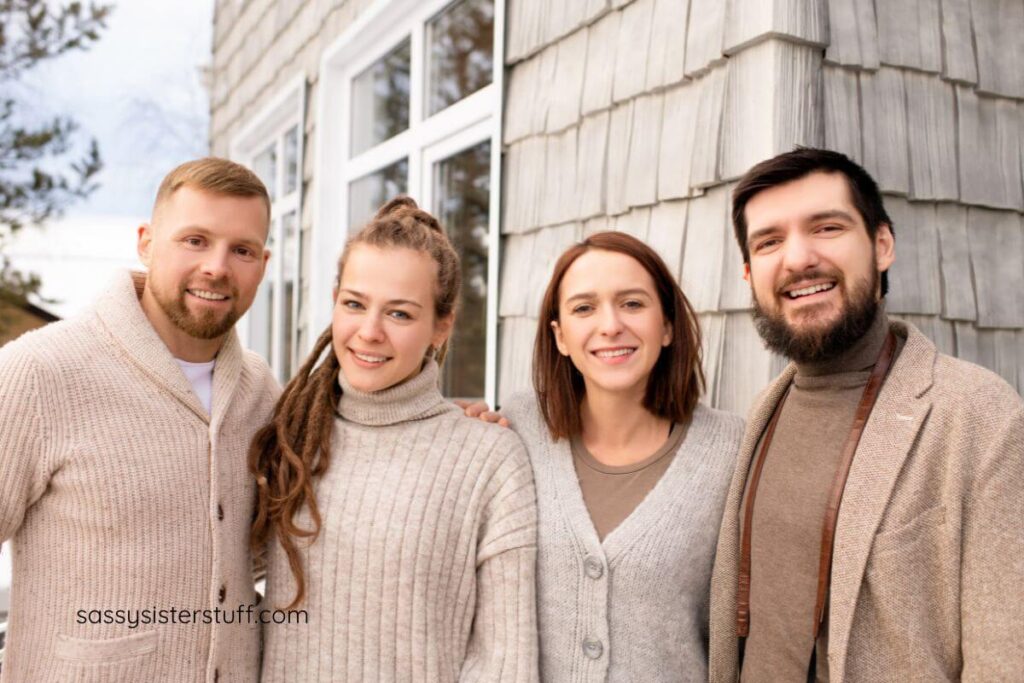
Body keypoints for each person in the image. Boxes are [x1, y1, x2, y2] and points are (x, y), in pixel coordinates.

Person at [708, 148, 1024, 681]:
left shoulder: (979, 414)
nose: (798, 258)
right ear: (748, 273)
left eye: (826, 227)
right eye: (769, 241)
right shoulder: (765, 410)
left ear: (881, 245)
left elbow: (1005, 660)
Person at [0, 158, 280, 682]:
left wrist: (446, 424)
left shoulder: (262, 393)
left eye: (241, 250)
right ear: (147, 242)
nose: (217, 267)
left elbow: (271, 553)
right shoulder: (40, 372)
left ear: (262, 264)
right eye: (195, 240)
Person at [250, 196, 538, 682]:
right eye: (354, 304)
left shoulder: (488, 459)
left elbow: (505, 660)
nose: (369, 332)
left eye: (400, 314)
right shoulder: (292, 435)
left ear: (441, 326)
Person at [470, 231, 744, 681]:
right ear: (559, 336)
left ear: (668, 325)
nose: (611, 325)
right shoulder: (515, 430)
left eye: (633, 304)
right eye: (584, 308)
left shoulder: (731, 451)